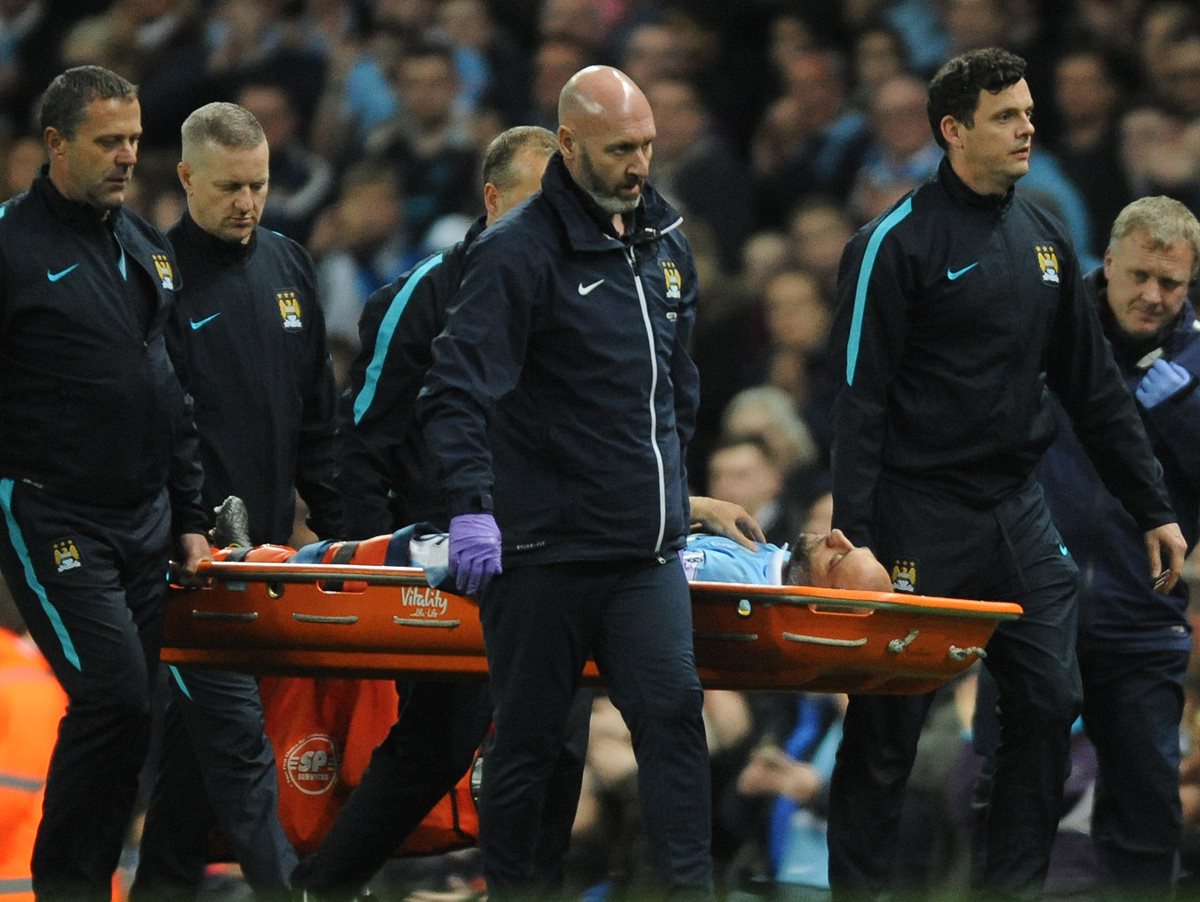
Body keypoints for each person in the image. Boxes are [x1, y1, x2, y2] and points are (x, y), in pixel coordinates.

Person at [825, 47, 1187, 901]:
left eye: (1028, 111)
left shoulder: (1047, 237)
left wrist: (1153, 506)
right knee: (888, 726)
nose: (1029, 126)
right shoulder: (893, 243)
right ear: (953, 131)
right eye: (1006, 115)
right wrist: (855, 539)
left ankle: (1010, 891)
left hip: (1014, 511)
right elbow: (858, 402)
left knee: (1048, 699)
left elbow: (1093, 388)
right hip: (916, 511)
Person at [417, 65, 714, 899]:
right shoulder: (517, 252)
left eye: (648, 146)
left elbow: (676, 387)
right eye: (621, 148)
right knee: (532, 746)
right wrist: (473, 508)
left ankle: (689, 890)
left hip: (641, 553)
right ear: (571, 144)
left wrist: (675, 496)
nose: (639, 165)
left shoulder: (665, 244)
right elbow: (455, 389)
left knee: (673, 714)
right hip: (544, 551)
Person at [0, 64, 211, 899]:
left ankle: (110, 884)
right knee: (115, 697)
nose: (127, 156)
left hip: (148, 518)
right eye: (107, 141)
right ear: (54, 144)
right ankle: (68, 886)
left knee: (148, 711)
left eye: (133, 139)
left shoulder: (144, 246)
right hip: (53, 509)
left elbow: (173, 391)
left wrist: (191, 514)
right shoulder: (10, 248)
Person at [132, 101, 341, 901]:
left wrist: (349, 536)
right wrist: (189, 527)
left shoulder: (290, 265)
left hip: (271, 560)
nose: (246, 203)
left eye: (257, 186)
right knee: (240, 742)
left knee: (195, 764)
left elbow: (317, 419)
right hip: (193, 562)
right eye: (228, 188)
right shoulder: (156, 278)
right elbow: (160, 426)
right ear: (186, 178)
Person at [1034, 195, 1200, 897]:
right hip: (1036, 606)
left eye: (1172, 284)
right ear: (1108, 264)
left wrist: (1178, 405)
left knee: (1145, 813)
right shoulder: (1047, 332)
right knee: (1010, 800)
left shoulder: (1198, 361)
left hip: (1142, 615)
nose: (1153, 296)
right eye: (1138, 276)